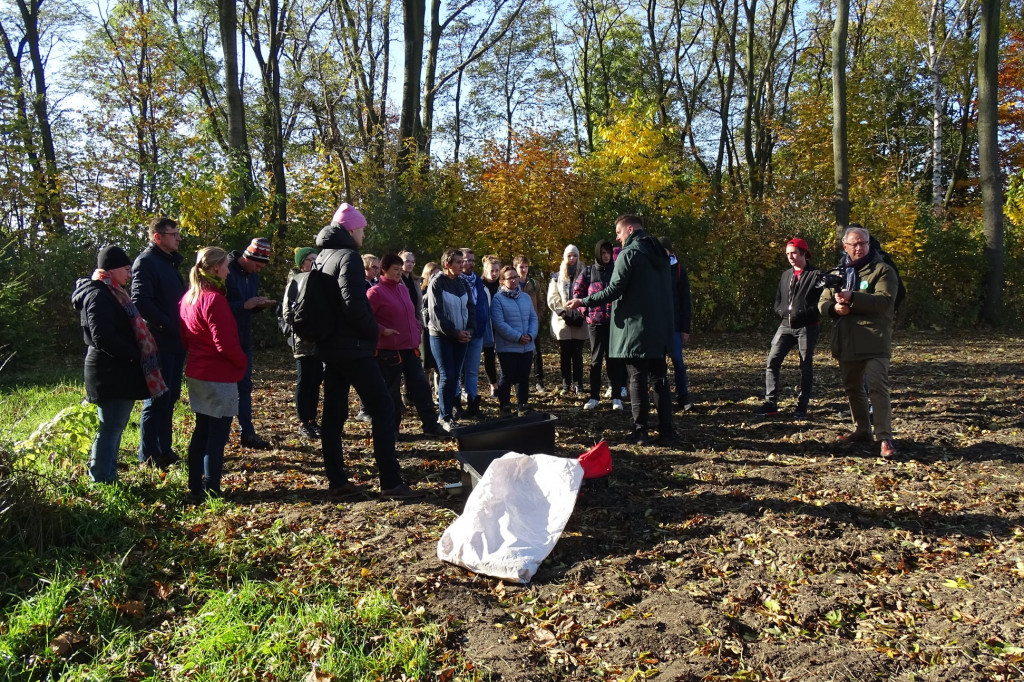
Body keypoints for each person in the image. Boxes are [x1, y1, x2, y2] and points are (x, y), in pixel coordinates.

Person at [314, 203, 424, 499]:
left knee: (334, 415)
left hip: (329, 346)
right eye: (362, 229)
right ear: (351, 229)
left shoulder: (322, 256)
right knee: (384, 408)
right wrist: (374, 332)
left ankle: (337, 481)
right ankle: (390, 481)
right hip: (353, 347)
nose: (364, 235)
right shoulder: (348, 256)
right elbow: (353, 304)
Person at [567, 214, 674, 445]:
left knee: (636, 378)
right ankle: (667, 430)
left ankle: (640, 430)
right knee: (659, 378)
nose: (617, 238)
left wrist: (583, 301)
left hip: (634, 328)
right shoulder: (661, 254)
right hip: (659, 328)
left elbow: (613, 290)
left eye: (618, 232)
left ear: (630, 229)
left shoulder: (630, 254)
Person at [72, 246, 167, 483]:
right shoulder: (99, 294)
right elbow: (102, 336)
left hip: (117, 370)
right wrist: (136, 354)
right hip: (109, 372)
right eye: (126, 269)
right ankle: (102, 478)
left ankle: (107, 474)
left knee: (114, 427)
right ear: (111, 269)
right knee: (110, 428)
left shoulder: (112, 292)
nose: (130, 274)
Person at [818, 224, 899, 457]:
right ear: (845, 246)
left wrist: (853, 297)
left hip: (874, 339)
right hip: (846, 339)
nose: (859, 248)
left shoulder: (882, 270)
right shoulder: (837, 272)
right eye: (853, 244)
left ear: (869, 244)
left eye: (863, 243)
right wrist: (834, 308)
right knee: (853, 387)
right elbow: (821, 303)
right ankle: (862, 429)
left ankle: (885, 439)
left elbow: (884, 301)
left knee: (876, 385)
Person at [179, 247, 248, 501]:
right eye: (227, 266)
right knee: (216, 437)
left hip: (197, 371)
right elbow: (225, 343)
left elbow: (186, 338)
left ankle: (195, 487)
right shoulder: (214, 300)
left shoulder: (188, 298)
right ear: (215, 267)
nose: (229, 271)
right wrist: (241, 362)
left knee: (202, 431)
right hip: (217, 375)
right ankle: (211, 489)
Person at [132, 216, 186, 469]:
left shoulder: (169, 262)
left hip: (177, 341)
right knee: (156, 398)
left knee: (171, 397)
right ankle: (148, 455)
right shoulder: (146, 262)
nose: (178, 237)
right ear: (158, 237)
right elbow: (141, 301)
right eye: (173, 233)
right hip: (160, 342)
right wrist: (169, 325)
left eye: (177, 233)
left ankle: (165, 450)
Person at [368, 254, 442, 437]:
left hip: (410, 348)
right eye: (395, 269)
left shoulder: (402, 289)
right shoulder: (375, 292)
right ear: (384, 270)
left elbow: (411, 313)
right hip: (388, 350)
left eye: (401, 270)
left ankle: (431, 425)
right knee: (391, 391)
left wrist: (417, 327)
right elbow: (364, 318)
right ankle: (392, 430)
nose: (399, 273)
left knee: (422, 386)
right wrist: (382, 330)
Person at [755, 238, 821, 420]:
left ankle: (802, 405)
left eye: (793, 253)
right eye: (787, 254)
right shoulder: (786, 275)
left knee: (805, 365)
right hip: (785, 325)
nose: (790, 257)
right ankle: (771, 403)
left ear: (803, 253)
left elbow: (822, 303)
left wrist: (804, 313)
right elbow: (778, 299)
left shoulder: (817, 275)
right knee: (772, 361)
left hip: (807, 327)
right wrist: (782, 311)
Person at [225, 237, 275, 449]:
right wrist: (243, 305)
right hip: (226, 339)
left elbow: (247, 305)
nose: (258, 271)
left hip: (244, 338)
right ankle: (222, 433)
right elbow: (217, 305)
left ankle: (248, 432)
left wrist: (258, 305)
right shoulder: (225, 271)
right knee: (226, 388)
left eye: (262, 267)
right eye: (256, 265)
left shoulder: (252, 276)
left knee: (245, 387)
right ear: (247, 258)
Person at [573, 240, 625, 411]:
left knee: (614, 360)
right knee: (596, 361)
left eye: (608, 252)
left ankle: (616, 396)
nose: (606, 256)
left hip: (614, 323)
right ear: (597, 253)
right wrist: (585, 312)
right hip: (595, 323)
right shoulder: (588, 272)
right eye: (602, 253)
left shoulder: (617, 270)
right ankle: (594, 396)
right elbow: (577, 293)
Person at [427, 249, 475, 432]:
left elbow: (471, 308)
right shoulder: (437, 282)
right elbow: (436, 313)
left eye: (462, 262)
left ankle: (449, 413)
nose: (462, 265)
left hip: (462, 336)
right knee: (447, 375)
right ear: (447, 264)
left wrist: (469, 330)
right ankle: (444, 416)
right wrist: (455, 332)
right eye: (457, 262)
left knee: (456, 376)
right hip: (442, 336)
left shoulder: (463, 283)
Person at [279, 246, 323, 440]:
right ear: (302, 263)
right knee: (304, 380)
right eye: (311, 259)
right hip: (302, 339)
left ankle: (313, 419)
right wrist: (304, 324)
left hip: (320, 340)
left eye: (317, 259)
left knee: (316, 380)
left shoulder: (321, 280)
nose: (315, 262)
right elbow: (287, 313)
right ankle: (303, 422)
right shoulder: (295, 281)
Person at [490, 266, 538, 416]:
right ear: (502, 281)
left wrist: (530, 335)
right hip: (508, 346)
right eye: (510, 278)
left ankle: (522, 404)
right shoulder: (498, 299)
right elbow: (499, 323)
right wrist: (517, 337)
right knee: (507, 375)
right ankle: (505, 405)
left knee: (523, 376)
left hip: (527, 345)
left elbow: (533, 318)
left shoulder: (525, 297)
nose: (514, 280)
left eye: (516, 277)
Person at [548, 244, 589, 395]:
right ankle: (566, 384)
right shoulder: (557, 276)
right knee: (565, 354)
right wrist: (563, 314)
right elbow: (553, 298)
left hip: (580, 319)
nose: (572, 259)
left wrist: (581, 314)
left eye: (575, 256)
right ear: (565, 257)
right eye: (569, 256)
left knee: (577, 354)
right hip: (562, 320)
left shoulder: (586, 273)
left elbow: (588, 294)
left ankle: (579, 384)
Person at [660, 237, 694, 412]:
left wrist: (685, 328)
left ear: (670, 251)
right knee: (658, 365)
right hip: (657, 326)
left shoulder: (679, 270)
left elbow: (685, 301)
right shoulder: (653, 268)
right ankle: (663, 399)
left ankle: (683, 397)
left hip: (674, 325)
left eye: (663, 250)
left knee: (678, 362)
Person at [459, 248, 491, 418]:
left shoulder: (478, 281)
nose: (469, 263)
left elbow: (482, 306)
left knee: (472, 371)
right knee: (456, 371)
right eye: (466, 260)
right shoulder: (454, 280)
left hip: (477, 332)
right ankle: (455, 404)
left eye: (472, 260)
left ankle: (472, 403)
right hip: (459, 333)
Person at [514, 254, 546, 393]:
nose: (524, 270)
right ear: (515, 267)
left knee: (536, 353)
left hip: (532, 326)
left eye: (526, 267)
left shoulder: (533, 283)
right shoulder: (511, 283)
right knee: (518, 355)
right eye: (521, 267)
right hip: (516, 326)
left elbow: (541, 303)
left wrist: (537, 319)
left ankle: (539, 382)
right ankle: (520, 382)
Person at [480, 254, 502, 397]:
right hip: (485, 325)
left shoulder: (502, 285)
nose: (494, 274)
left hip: (500, 324)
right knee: (488, 357)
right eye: (491, 271)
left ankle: (503, 383)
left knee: (504, 356)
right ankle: (493, 385)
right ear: (485, 270)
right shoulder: (479, 285)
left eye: (496, 270)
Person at [419, 262, 441, 396]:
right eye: (433, 274)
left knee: (439, 367)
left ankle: (439, 394)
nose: (436, 277)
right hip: (424, 332)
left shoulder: (441, 289)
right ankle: (425, 394)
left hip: (438, 330)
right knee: (425, 366)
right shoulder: (420, 290)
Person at [399, 250, 422, 318]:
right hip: (403, 319)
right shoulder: (397, 281)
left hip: (415, 320)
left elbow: (419, 305)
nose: (410, 264)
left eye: (412, 262)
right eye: (407, 261)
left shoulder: (415, 281)